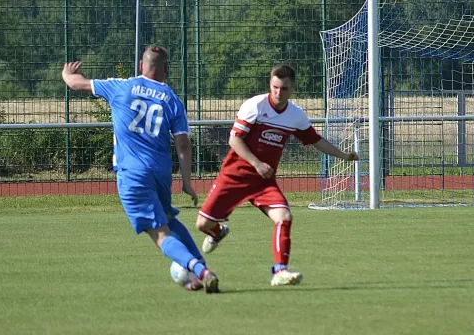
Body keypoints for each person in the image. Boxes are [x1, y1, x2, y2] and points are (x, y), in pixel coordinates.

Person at [62, 45, 219, 293]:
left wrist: (66, 74)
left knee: (159, 235)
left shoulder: (120, 86)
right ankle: (202, 267)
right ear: (166, 69)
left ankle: (201, 271)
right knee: (168, 219)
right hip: (160, 172)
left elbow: (75, 83)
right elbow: (183, 143)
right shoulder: (173, 100)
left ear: (140, 66)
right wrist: (187, 181)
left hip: (132, 174)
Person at [196, 64, 359, 286]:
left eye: (284, 88)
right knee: (202, 224)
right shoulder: (254, 106)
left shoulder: (295, 115)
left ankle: (280, 271)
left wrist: (342, 155)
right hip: (234, 176)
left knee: (284, 217)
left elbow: (315, 139)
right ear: (269, 85)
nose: (278, 93)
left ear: (292, 89)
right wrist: (256, 163)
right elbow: (234, 140)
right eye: (275, 87)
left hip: (263, 182)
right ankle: (216, 233)